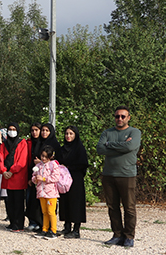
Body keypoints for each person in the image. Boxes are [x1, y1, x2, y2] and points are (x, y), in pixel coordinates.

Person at [97, 105, 141, 247]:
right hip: (109, 175)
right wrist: (119, 145)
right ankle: (117, 234)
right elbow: (100, 149)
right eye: (117, 116)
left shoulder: (134, 132)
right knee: (112, 207)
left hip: (127, 175)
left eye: (123, 116)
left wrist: (110, 145)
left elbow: (130, 147)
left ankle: (129, 236)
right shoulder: (107, 132)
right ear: (114, 117)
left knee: (129, 207)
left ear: (128, 117)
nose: (120, 119)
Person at [0, 122, 29, 232]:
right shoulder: (3, 144)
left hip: (18, 177)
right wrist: (3, 171)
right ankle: (11, 222)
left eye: (14, 129)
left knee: (19, 202)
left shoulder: (22, 143)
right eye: (10, 129)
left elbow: (22, 160)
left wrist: (12, 171)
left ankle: (19, 224)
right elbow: (0, 159)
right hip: (7, 177)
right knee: (9, 201)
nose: (12, 131)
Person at [60, 125, 89, 239]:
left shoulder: (79, 149)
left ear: (75, 135)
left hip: (76, 179)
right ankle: (67, 226)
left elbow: (83, 164)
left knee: (76, 203)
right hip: (64, 180)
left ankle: (76, 230)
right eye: (67, 133)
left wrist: (69, 167)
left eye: (71, 134)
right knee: (65, 202)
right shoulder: (62, 149)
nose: (68, 136)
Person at [32, 145, 60, 240]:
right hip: (41, 192)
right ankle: (45, 229)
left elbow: (56, 177)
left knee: (51, 212)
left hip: (51, 193)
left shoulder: (53, 165)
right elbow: (33, 176)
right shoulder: (38, 166)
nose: (43, 158)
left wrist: (44, 179)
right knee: (44, 212)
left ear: (50, 156)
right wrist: (35, 179)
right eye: (42, 156)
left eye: (45, 156)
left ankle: (53, 230)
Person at [25, 123, 44, 231]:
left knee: (38, 202)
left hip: (42, 178)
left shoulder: (43, 143)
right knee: (29, 200)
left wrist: (40, 162)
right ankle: (32, 221)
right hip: (30, 176)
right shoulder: (29, 143)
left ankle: (40, 223)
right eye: (32, 130)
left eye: (36, 130)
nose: (34, 132)